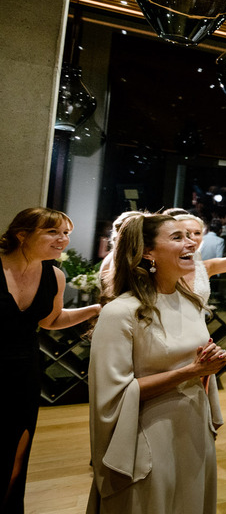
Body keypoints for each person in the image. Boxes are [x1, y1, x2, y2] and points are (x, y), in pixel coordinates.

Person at [87, 213, 226, 513]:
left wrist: (208, 366)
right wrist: (191, 371)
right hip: (149, 433)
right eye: (177, 237)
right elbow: (113, 394)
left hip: (192, 424)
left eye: (190, 236)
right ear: (148, 252)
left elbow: (196, 365)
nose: (190, 242)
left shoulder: (191, 302)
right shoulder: (121, 312)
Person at [1, 208, 101, 514]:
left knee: (17, 456)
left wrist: (97, 309)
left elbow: (50, 320)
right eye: (53, 232)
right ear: (22, 235)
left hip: (24, 372)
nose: (63, 240)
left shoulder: (54, 274)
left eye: (67, 233)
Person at [170, 207, 226, 306]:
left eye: (197, 233)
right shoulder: (158, 266)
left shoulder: (205, 267)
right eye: (187, 233)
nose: (193, 237)